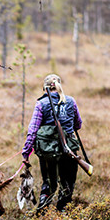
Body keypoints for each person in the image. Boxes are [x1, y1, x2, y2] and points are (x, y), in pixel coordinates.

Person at [21, 74, 83, 212]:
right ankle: (62, 215)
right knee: (67, 185)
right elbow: (78, 125)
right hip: (69, 151)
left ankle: (42, 215)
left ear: (45, 88)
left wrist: (26, 153)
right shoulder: (71, 101)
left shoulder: (41, 104)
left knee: (48, 184)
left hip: (48, 153)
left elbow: (33, 131)